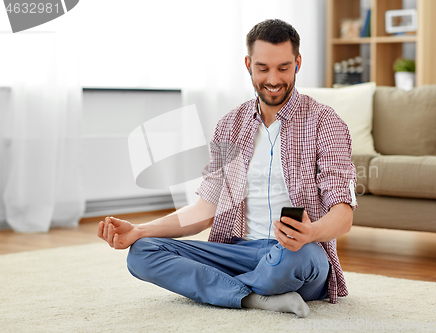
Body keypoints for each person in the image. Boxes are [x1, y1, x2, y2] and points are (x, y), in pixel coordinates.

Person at [97, 19, 357, 318]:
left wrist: (311, 232)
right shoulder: (230, 126)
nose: (273, 79)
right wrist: (140, 230)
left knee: (300, 259)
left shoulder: (326, 122)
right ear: (248, 64)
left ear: (298, 63)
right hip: (237, 251)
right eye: (263, 68)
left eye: (283, 68)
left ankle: (228, 291)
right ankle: (256, 298)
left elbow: (343, 214)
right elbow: (204, 210)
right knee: (142, 254)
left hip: (295, 253)